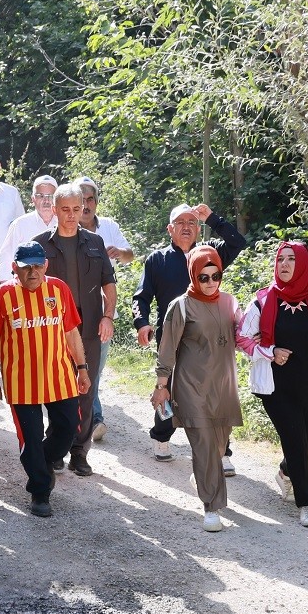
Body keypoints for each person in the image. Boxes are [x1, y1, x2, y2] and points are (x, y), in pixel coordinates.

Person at [237, 242, 308, 528]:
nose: (284, 264)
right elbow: (242, 339)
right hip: (276, 387)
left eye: (291, 259)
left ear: (304, 264)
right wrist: (270, 352)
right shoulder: (262, 300)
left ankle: (287, 471)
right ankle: (307, 503)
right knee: (295, 439)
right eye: (280, 259)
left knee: (307, 440)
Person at [0, 242, 91, 518]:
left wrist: (82, 368)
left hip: (60, 376)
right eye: (26, 266)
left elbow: (71, 333)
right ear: (14, 268)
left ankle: (41, 460)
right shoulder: (2, 295)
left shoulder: (58, 289)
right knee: (30, 440)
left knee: (68, 429)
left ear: (46, 266)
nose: (33, 272)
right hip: (21, 382)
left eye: (37, 265)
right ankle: (40, 491)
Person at [133, 202, 247, 464]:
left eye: (192, 222)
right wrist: (142, 323)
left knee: (214, 390)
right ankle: (162, 436)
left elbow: (238, 242)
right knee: (168, 386)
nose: (187, 227)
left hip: (208, 335)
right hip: (173, 335)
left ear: (198, 228)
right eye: (180, 223)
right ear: (170, 229)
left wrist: (212, 218)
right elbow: (142, 296)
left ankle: (223, 450)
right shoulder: (157, 260)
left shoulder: (209, 255)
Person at [152, 246, 245, 532]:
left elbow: (246, 336)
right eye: (203, 277)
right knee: (204, 446)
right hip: (191, 387)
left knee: (217, 447)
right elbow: (167, 349)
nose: (210, 282)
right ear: (193, 275)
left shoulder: (231, 303)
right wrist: (162, 385)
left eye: (215, 275)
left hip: (224, 387)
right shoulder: (181, 305)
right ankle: (211, 507)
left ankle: (203, 477)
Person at [32, 183, 116, 478]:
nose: (71, 215)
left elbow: (109, 282)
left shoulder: (95, 242)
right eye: (65, 209)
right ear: (53, 210)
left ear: (84, 209)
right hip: (52, 331)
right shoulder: (39, 245)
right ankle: (56, 444)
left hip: (90, 328)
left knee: (85, 388)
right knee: (55, 388)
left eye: (76, 209)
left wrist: (108, 316)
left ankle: (79, 452)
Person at [73, 175, 132, 441]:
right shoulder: (66, 227)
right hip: (74, 312)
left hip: (103, 312)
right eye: (81, 199)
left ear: (96, 202)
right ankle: (91, 418)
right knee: (77, 365)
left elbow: (131, 255)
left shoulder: (108, 226)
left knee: (95, 367)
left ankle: (90, 416)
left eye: (90, 199)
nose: (85, 205)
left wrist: (118, 252)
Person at [0, 174, 60, 282]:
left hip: (57, 289)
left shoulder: (63, 223)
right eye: (41, 196)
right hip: (26, 287)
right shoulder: (20, 225)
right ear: (33, 199)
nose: (46, 201)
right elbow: (5, 260)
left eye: (50, 196)